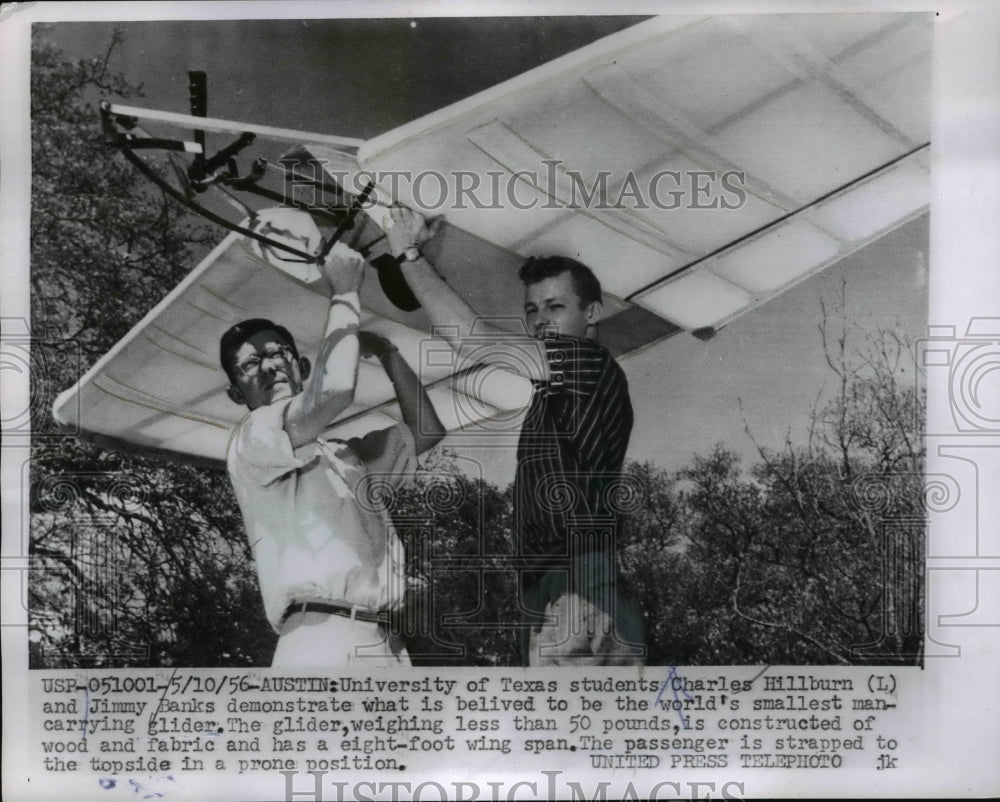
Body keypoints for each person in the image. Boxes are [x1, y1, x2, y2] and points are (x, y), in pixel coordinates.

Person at [383, 205, 645, 666]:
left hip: (580, 585)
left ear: (593, 313)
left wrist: (409, 255)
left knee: (586, 735)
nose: (541, 320)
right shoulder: (550, 393)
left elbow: (473, 339)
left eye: (556, 306)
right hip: (548, 591)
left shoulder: (591, 364)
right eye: (532, 309)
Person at [220, 241, 445, 667]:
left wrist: (387, 353)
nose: (268, 367)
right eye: (250, 366)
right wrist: (344, 290)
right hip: (321, 639)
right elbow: (336, 390)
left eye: (276, 353)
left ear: (301, 368)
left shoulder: (343, 454)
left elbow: (427, 431)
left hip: (386, 642)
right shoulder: (251, 439)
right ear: (236, 393)